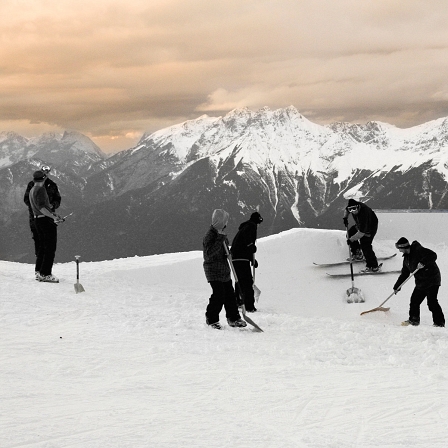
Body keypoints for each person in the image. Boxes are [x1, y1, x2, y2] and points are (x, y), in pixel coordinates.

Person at [203, 209, 246, 330]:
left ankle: (233, 318)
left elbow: (224, 249)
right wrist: (220, 239)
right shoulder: (210, 235)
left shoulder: (221, 233)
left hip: (224, 270)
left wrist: (229, 254)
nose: (226, 224)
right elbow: (209, 254)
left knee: (230, 295)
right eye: (225, 221)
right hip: (213, 270)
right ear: (219, 221)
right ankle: (211, 319)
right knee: (219, 295)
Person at [393, 237, 445, 327]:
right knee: (414, 301)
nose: (399, 251)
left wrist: (423, 262)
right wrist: (397, 286)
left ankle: (439, 323)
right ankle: (414, 320)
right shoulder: (406, 259)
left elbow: (433, 255)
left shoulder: (418, 250)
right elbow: (404, 274)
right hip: (421, 282)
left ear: (404, 247)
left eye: (400, 249)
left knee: (432, 302)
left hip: (432, 279)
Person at [24, 165, 61, 279]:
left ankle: (39, 271)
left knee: (42, 246)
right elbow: (41, 208)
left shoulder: (32, 188)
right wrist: (52, 216)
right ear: (44, 177)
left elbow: (55, 201)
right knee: (48, 247)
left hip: (37, 218)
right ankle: (45, 273)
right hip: (44, 219)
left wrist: (52, 211)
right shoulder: (40, 189)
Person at [230, 211, 263, 312]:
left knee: (239, 280)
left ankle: (238, 302)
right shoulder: (251, 226)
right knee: (247, 281)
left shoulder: (245, 226)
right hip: (241, 258)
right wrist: (251, 246)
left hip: (235, 257)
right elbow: (247, 240)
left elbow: (242, 244)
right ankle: (249, 306)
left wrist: (252, 259)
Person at [343, 198, 379, 272]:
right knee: (350, 233)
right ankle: (357, 253)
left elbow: (361, 233)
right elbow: (346, 210)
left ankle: (373, 266)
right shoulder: (352, 207)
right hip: (359, 225)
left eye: (354, 209)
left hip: (370, 227)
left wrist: (351, 240)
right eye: (351, 210)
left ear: (358, 206)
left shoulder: (364, 213)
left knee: (365, 245)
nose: (353, 211)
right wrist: (345, 217)